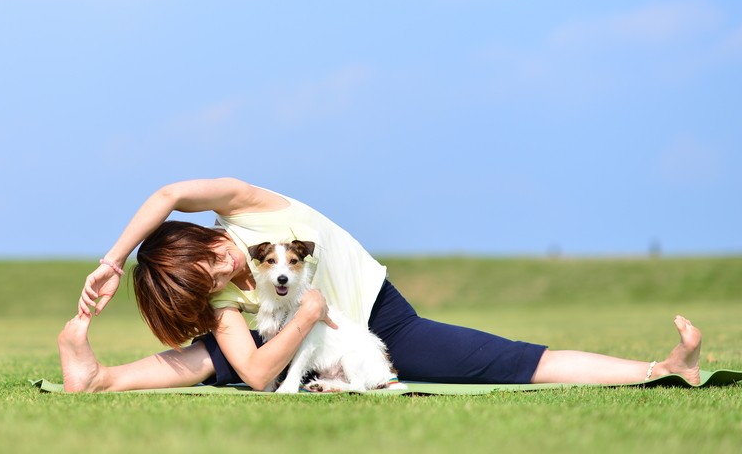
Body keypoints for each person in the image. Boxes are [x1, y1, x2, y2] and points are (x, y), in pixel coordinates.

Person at [59, 177, 702, 392]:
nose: (225, 277)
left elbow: (170, 192)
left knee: (503, 361)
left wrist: (113, 259)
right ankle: (100, 377)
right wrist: (307, 317)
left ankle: (659, 368)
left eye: (212, 265)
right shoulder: (228, 299)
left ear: (203, 239)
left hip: (381, 319)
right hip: (303, 340)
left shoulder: (246, 208)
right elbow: (257, 375)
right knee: (221, 360)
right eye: (206, 286)